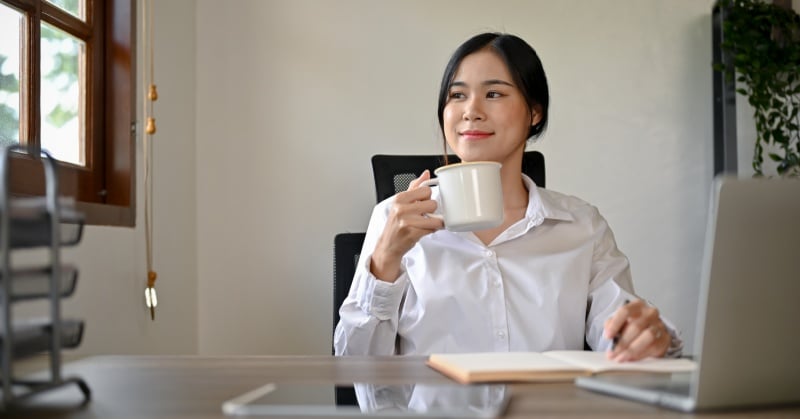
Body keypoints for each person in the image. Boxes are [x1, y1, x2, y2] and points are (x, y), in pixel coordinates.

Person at [334, 32, 682, 363]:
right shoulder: (392, 220)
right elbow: (354, 362)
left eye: (494, 94)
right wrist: (385, 261)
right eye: (457, 95)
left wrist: (644, 336)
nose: (471, 110)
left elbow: (620, 334)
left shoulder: (581, 226)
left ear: (535, 111)